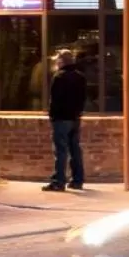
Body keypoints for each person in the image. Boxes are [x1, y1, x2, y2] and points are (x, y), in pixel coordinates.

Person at [43, 49, 86, 192]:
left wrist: (52, 115)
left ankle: (58, 181)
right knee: (75, 149)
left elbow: (55, 100)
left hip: (61, 118)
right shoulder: (80, 77)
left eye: (57, 60)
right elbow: (83, 98)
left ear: (61, 61)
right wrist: (78, 113)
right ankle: (77, 180)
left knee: (61, 150)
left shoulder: (59, 77)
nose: (56, 62)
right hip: (75, 118)